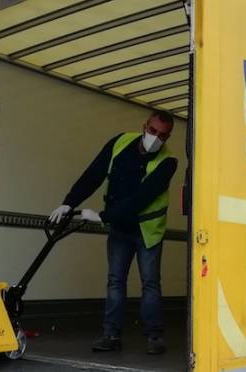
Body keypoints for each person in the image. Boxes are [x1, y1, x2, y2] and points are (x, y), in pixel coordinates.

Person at [49, 111, 178, 355]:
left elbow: (141, 198)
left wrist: (102, 216)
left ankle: (155, 337)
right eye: (152, 131)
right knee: (115, 281)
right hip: (120, 229)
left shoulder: (168, 162)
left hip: (146, 230)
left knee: (150, 284)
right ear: (144, 127)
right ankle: (111, 335)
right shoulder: (120, 143)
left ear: (167, 136)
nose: (156, 138)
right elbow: (94, 173)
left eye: (162, 135)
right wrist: (70, 202)